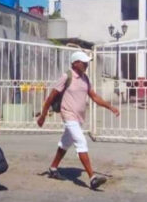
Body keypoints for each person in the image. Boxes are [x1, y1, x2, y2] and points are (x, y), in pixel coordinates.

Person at [36, 51, 120, 190]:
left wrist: (110, 107)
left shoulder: (85, 78)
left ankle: (53, 168)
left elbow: (94, 96)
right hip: (68, 115)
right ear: (75, 63)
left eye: (87, 62)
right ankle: (92, 178)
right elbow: (51, 97)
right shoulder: (66, 76)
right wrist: (43, 115)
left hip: (79, 117)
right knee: (81, 142)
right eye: (83, 62)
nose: (86, 64)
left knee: (65, 143)